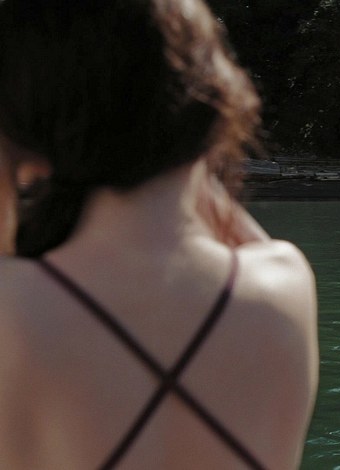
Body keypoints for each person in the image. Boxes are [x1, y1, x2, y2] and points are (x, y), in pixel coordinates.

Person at [0, 1, 318, 468]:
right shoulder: (285, 283)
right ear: (212, 101)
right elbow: (241, 233)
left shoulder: (14, 306)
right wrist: (196, 146)